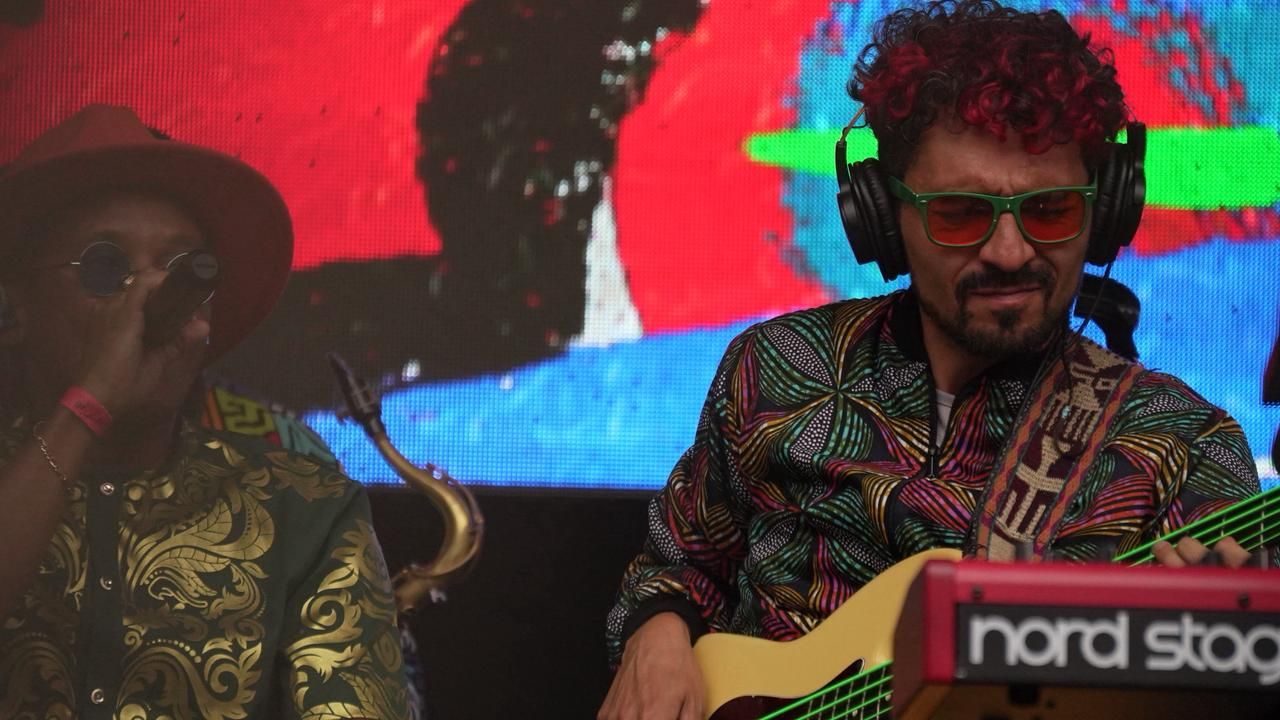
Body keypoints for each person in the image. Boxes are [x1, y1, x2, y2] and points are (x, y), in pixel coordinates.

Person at [598, 2, 1263, 718]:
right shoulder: (777, 366)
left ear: (1105, 214)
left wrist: (1227, 662)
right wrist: (656, 631)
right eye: (960, 213)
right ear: (882, 215)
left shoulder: (1183, 448)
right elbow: (682, 566)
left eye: (1049, 210)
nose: (1009, 252)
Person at [0, 105, 410, 718]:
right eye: (106, 267)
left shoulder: (304, 507)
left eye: (182, 272)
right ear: (14, 310)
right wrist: (89, 404)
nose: (151, 299)